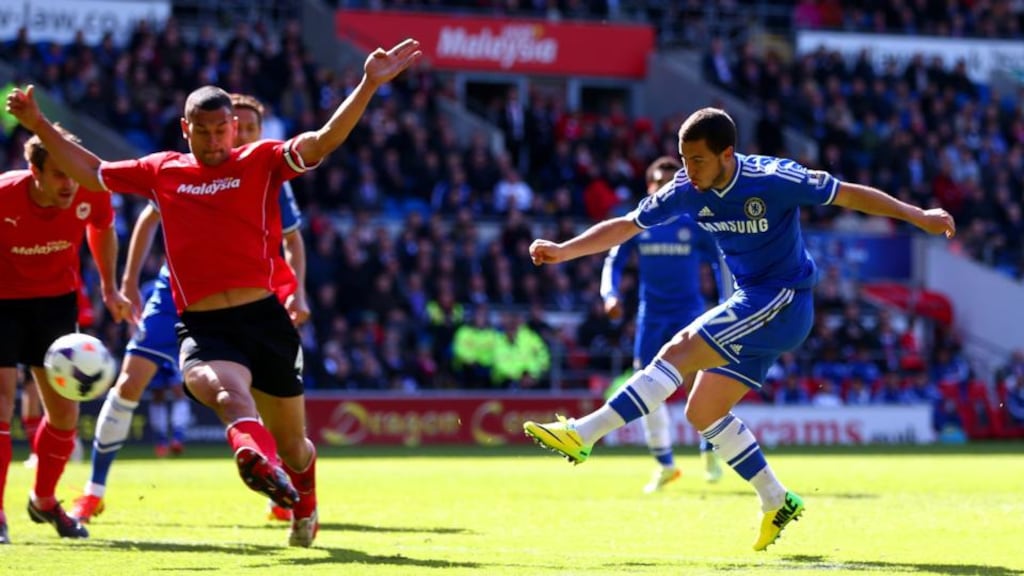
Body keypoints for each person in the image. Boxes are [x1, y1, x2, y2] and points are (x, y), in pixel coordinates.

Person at [7, 38, 422, 547]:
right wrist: (40, 125)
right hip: (204, 325)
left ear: (234, 126)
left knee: (295, 447)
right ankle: (249, 455)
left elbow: (321, 142)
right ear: (186, 130)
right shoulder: (163, 171)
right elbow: (93, 171)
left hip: (264, 320)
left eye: (221, 129)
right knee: (222, 391)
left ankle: (302, 503)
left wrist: (368, 84)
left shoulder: (262, 160)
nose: (213, 140)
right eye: (201, 131)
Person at [523, 107, 955, 551]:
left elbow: (846, 195)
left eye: (698, 160)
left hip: (783, 298)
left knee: (678, 350)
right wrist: (563, 250)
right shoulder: (685, 189)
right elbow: (627, 225)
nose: (689, 170)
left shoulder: (774, 178)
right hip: (755, 303)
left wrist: (917, 215)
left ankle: (584, 434)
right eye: (684, 159)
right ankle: (776, 499)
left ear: (727, 154)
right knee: (702, 412)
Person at [69, 92, 311, 526]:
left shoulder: (267, 169)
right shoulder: (176, 170)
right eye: (234, 127)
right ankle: (93, 491)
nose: (238, 136)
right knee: (130, 381)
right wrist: (128, 281)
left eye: (248, 129)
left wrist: (297, 290)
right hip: (180, 294)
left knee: (258, 400)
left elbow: (292, 239)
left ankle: (274, 477)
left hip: (250, 298)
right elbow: (149, 216)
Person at [0, 127, 132, 543]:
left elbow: (103, 226)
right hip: (2, 302)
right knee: (1, 403)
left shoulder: (90, 189)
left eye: (72, 173)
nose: (69, 184)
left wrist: (109, 287)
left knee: (65, 415)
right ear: (34, 170)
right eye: (59, 174)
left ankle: (43, 501)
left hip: (55, 304)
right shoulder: (4, 195)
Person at [600, 156, 723, 493]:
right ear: (649, 186)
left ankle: (709, 448)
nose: (665, 187)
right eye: (659, 181)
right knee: (645, 385)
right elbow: (614, 261)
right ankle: (666, 464)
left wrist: (727, 299)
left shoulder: (694, 221)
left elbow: (720, 259)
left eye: (672, 182)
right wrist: (610, 295)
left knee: (700, 383)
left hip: (690, 313)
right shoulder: (639, 221)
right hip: (651, 315)